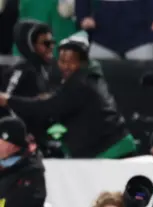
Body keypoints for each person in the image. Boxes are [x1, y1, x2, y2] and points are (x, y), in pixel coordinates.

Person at [0, 32, 137, 159]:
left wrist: (9, 100)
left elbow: (47, 108)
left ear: (83, 62)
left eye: (72, 61)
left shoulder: (81, 83)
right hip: (107, 148)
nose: (66, 66)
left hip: (111, 150)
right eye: (62, 61)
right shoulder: (87, 76)